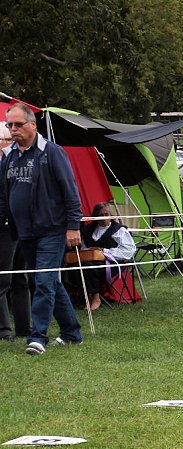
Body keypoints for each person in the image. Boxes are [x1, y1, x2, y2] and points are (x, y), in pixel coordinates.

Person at [0, 103, 83, 355]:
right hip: (24, 232)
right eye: (9, 125)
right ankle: (71, 333)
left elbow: (70, 191)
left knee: (44, 282)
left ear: (33, 125)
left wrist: (72, 226)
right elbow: (4, 195)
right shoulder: (10, 157)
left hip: (52, 230)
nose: (13, 129)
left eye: (18, 124)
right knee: (46, 282)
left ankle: (37, 337)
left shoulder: (52, 153)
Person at [68, 202, 136, 310]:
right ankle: (85, 297)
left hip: (113, 262)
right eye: (100, 215)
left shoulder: (118, 230)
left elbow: (129, 250)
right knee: (75, 266)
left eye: (106, 214)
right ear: (95, 217)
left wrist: (104, 251)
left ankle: (96, 298)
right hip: (92, 260)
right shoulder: (89, 230)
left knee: (89, 267)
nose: (104, 218)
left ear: (111, 215)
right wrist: (90, 251)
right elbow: (83, 248)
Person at [0, 124, 31, 341]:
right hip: (8, 225)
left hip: (18, 227)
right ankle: (8, 330)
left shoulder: (16, 160)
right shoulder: (13, 159)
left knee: (17, 279)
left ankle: (17, 329)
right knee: (8, 280)